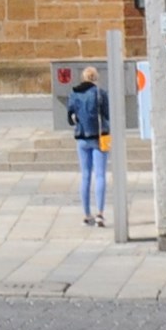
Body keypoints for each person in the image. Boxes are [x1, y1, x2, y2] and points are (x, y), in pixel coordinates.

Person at [66, 68, 113, 229]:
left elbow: (70, 118)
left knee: (85, 175)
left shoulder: (74, 93)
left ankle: (86, 215)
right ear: (96, 78)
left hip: (81, 138)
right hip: (100, 137)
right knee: (100, 175)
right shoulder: (100, 93)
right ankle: (100, 213)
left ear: (83, 78)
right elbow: (107, 114)